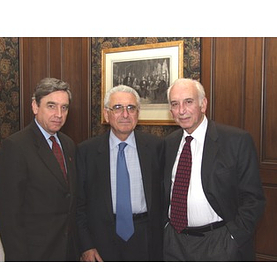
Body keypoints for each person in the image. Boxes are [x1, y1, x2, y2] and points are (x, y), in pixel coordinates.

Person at [163, 78, 266, 261]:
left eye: (188, 102)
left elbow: (254, 198)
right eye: (175, 104)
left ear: (203, 104)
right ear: (171, 111)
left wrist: (234, 236)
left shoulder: (236, 141)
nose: (182, 110)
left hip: (219, 243)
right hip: (174, 243)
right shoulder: (168, 144)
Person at [76, 85, 164, 261]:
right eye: (118, 108)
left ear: (138, 114)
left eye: (131, 108)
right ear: (106, 114)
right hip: (101, 241)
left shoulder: (156, 147)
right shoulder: (87, 151)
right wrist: (86, 245)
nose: (125, 114)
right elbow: (78, 205)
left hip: (146, 238)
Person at [0, 77, 79, 261]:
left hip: (68, 251)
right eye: (51, 106)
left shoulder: (68, 144)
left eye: (64, 107)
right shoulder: (16, 147)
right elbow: (9, 215)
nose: (59, 114)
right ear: (35, 106)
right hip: (34, 254)